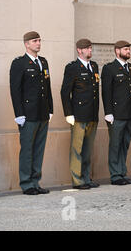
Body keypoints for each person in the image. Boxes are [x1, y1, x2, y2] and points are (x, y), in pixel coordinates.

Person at [10, 31, 53, 195]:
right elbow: (16, 90)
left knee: (39, 149)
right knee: (27, 149)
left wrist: (50, 109)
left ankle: (35, 181)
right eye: (35, 41)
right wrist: (19, 114)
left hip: (42, 113)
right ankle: (26, 183)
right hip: (28, 114)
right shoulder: (19, 63)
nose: (38, 43)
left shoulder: (43, 61)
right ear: (27, 44)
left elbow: (47, 87)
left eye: (39, 40)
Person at [60, 38, 100, 190]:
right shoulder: (73, 67)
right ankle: (77, 180)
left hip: (92, 114)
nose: (90, 50)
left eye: (91, 48)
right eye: (87, 48)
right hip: (78, 115)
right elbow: (65, 92)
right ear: (79, 50)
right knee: (77, 149)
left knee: (88, 149)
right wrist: (68, 113)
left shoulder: (94, 66)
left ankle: (86, 177)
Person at [101, 40, 131, 186]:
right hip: (116, 114)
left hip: (129, 113)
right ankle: (115, 175)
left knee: (125, 144)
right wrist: (108, 112)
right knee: (115, 144)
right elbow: (106, 92)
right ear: (117, 51)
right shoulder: (110, 68)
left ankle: (122, 172)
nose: (128, 51)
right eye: (126, 49)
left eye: (129, 49)